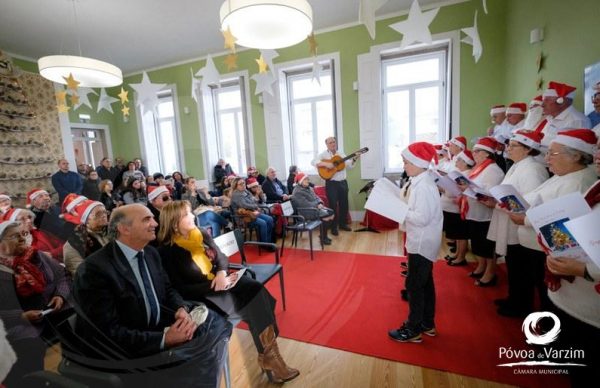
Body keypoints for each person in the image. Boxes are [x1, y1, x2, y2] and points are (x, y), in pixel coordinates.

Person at [72, 204, 232, 387]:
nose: (155, 223)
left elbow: (168, 290)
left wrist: (180, 308)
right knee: (199, 356)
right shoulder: (94, 270)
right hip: (123, 351)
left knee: (217, 326)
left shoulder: (150, 253)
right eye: (147, 219)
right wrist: (164, 339)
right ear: (124, 228)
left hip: (154, 328)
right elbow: (105, 333)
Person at [158, 201, 300, 383]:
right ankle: (271, 359)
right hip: (202, 296)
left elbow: (222, 257)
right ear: (174, 222)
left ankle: (270, 358)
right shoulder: (167, 251)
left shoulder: (200, 234)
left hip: (222, 281)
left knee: (255, 292)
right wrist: (214, 285)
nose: (193, 216)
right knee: (256, 303)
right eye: (187, 214)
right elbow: (179, 288)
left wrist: (222, 273)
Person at [509, 129, 597, 322]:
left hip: (552, 252)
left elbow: (560, 216)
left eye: (552, 153)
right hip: (536, 245)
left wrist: (524, 219)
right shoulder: (561, 176)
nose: (547, 158)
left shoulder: (579, 181)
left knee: (548, 299)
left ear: (575, 156)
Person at [541, 137, 599, 386]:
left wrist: (583, 269)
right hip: (572, 285)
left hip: (589, 293)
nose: (598, 156)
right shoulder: (594, 185)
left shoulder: (583, 181)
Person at [484, 131, 549, 317]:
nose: (508, 148)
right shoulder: (518, 165)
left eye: (513, 146)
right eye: (509, 145)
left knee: (521, 268)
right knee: (515, 265)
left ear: (528, 149)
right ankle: (514, 298)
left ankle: (521, 304)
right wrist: (495, 202)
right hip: (511, 220)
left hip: (521, 225)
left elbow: (531, 201)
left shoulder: (533, 170)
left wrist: (501, 204)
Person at [0, 220, 71, 386]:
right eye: (15, 236)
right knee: (31, 345)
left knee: (77, 319)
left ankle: (76, 368)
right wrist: (21, 316)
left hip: (48, 310)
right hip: (16, 323)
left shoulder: (34, 255)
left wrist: (60, 296)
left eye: (23, 234)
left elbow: (64, 276)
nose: (22, 239)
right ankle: (32, 382)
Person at [388, 142, 442, 343]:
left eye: (407, 162)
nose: (404, 166)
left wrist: (396, 210)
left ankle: (413, 328)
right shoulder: (420, 181)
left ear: (419, 163)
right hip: (421, 240)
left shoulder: (425, 186)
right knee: (425, 283)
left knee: (414, 286)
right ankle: (427, 323)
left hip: (421, 242)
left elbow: (421, 218)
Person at [457, 137, 505, 286]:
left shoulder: (493, 170)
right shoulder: (479, 168)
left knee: (486, 245)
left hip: (486, 215)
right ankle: (481, 266)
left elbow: (491, 191)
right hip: (475, 212)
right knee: (478, 243)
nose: (474, 154)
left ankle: (490, 273)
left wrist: (470, 188)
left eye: (477, 151)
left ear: (487, 154)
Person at [312, 137, 357, 235]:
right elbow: (313, 161)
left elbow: (348, 165)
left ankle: (342, 224)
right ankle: (333, 227)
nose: (333, 144)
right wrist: (326, 164)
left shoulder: (340, 153)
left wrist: (354, 159)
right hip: (331, 184)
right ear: (327, 145)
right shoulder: (323, 154)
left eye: (334, 142)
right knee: (332, 205)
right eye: (330, 142)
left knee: (344, 204)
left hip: (343, 183)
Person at [62, 199, 110, 276]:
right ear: (86, 220)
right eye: (98, 214)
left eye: (105, 212)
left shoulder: (111, 232)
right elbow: (83, 275)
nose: (104, 215)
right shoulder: (73, 244)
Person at [443, 150, 474, 266]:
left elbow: (458, 191)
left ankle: (461, 256)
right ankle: (457, 253)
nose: (457, 161)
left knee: (461, 234)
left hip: (460, 207)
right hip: (457, 206)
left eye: (460, 160)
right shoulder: (462, 172)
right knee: (458, 235)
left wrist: (447, 187)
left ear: (466, 162)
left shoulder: (466, 174)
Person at [538, 81, 591, 150]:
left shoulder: (577, 121)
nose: (542, 105)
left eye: (547, 100)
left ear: (561, 101)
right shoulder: (550, 117)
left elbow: (572, 152)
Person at [291, 172, 335, 245]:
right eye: (305, 179)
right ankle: (323, 237)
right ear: (300, 181)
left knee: (332, 213)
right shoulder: (297, 192)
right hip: (306, 212)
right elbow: (305, 205)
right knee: (327, 215)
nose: (308, 181)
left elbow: (317, 197)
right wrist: (317, 205)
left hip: (314, 208)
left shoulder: (309, 188)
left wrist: (320, 203)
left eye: (307, 179)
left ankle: (323, 235)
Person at [231, 178, 274, 244]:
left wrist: (259, 194)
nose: (243, 185)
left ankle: (268, 241)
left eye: (244, 183)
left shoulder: (245, 191)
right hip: (243, 217)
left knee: (270, 219)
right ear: (236, 186)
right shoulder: (236, 194)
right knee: (263, 223)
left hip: (253, 213)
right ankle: (264, 244)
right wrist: (255, 206)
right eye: (240, 184)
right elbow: (244, 205)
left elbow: (254, 200)